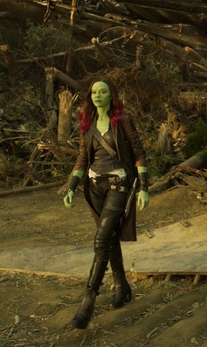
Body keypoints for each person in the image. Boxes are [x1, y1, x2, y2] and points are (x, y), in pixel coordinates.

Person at [63, 78, 150, 330]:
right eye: (94, 92)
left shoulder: (123, 120)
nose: (98, 95)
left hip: (118, 185)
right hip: (94, 188)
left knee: (101, 239)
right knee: (109, 238)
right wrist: (71, 187)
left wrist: (144, 187)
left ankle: (87, 302)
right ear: (90, 97)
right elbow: (82, 158)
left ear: (112, 95)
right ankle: (122, 286)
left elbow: (139, 153)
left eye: (103, 91)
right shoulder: (87, 125)